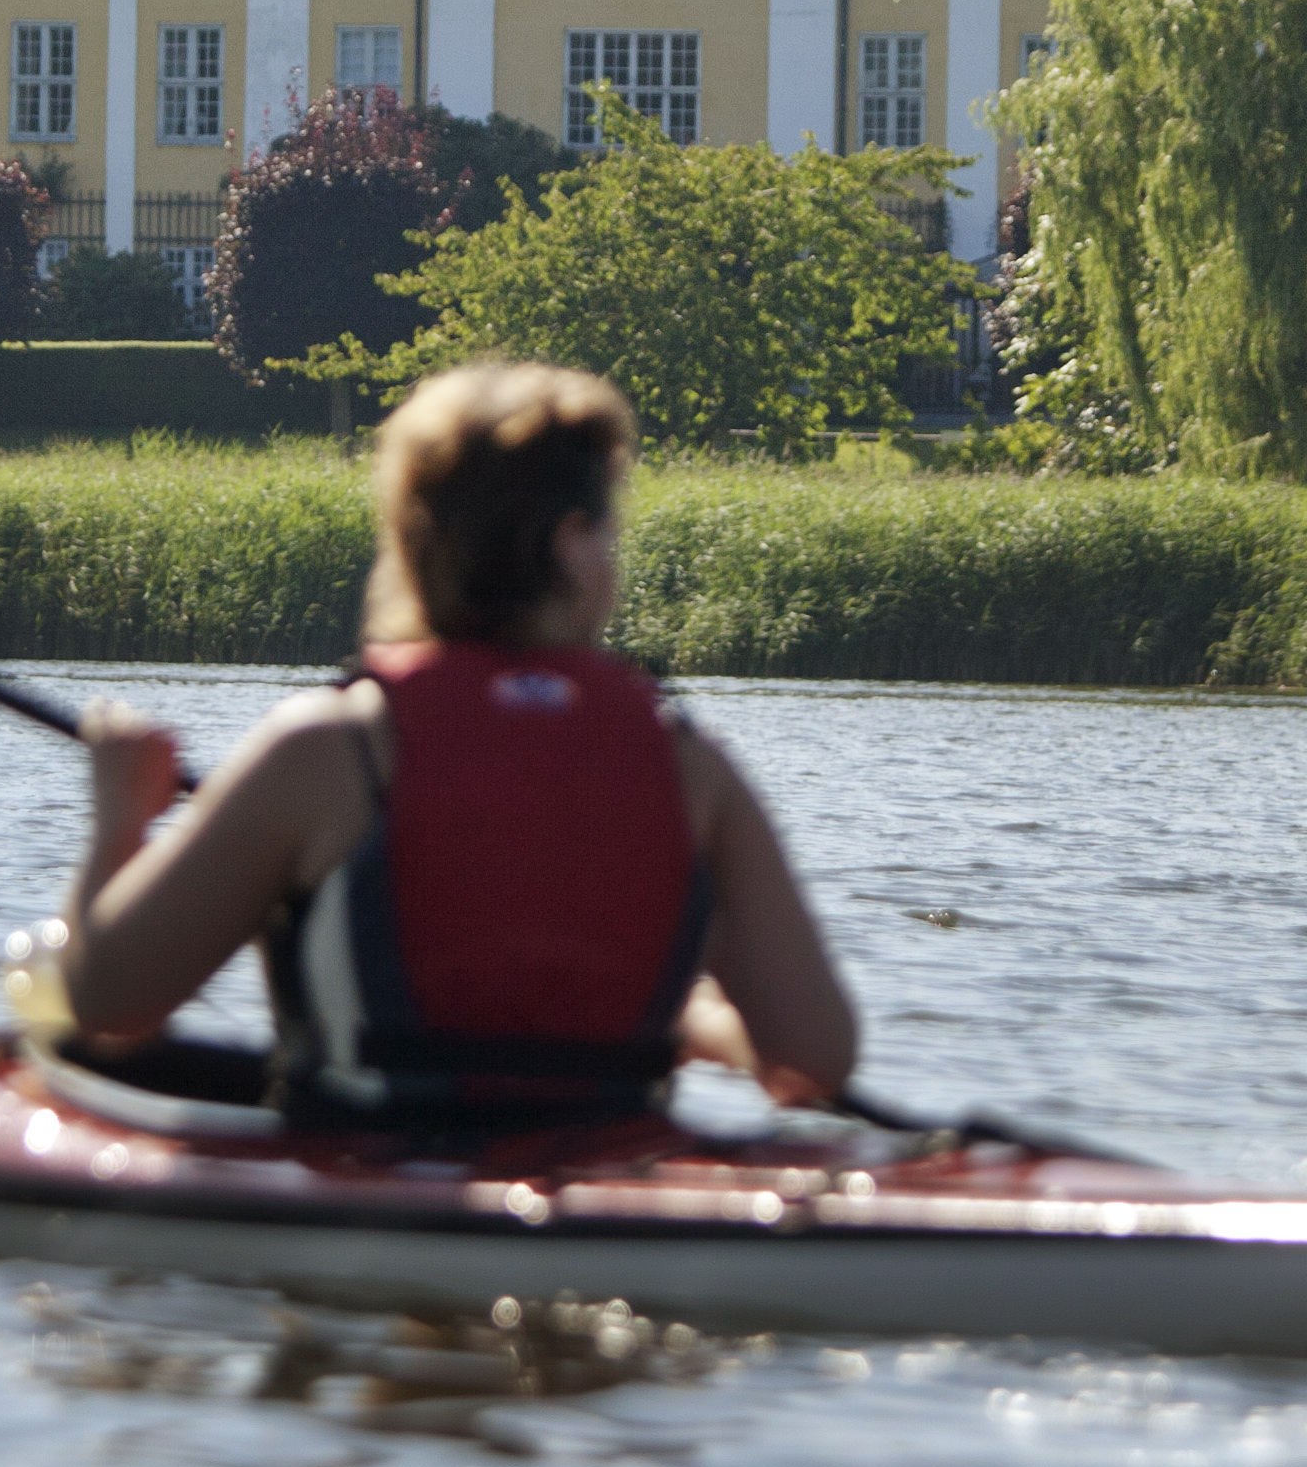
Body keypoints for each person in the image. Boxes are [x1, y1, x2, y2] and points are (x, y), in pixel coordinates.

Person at [46, 359, 860, 1132]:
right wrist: (703, 1020)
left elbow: (107, 1001)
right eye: (611, 529)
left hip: (366, 1176)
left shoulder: (326, 751)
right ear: (571, 543)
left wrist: (120, 819)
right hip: (608, 1183)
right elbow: (813, 1062)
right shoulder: (692, 766)